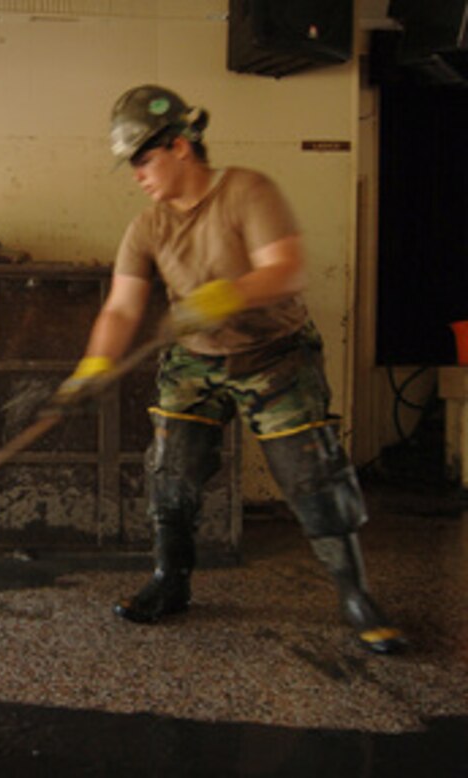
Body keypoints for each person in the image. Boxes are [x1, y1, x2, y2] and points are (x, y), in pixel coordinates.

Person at [51, 84, 406, 655]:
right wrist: (93, 365)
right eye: (132, 163)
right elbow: (121, 307)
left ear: (181, 146)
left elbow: (286, 270)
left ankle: (355, 594)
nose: (136, 173)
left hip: (274, 354)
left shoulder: (247, 191)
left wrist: (223, 297)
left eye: (143, 158)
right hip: (196, 360)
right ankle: (172, 582)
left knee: (311, 477)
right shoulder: (147, 227)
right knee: (172, 474)